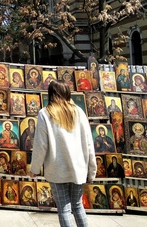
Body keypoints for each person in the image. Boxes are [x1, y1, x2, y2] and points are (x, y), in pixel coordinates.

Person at [30, 80, 97, 227]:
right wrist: (92, 170)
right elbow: (89, 143)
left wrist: (35, 168)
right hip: (78, 168)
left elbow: (41, 145)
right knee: (78, 206)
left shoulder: (45, 113)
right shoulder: (79, 112)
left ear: (51, 94)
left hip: (57, 169)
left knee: (64, 210)